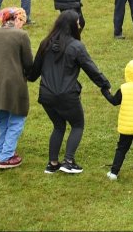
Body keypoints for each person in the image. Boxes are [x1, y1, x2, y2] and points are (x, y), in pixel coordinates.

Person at [28, 10, 111, 174]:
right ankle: (68, 161)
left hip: (46, 95)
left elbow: (33, 73)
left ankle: (52, 164)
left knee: (58, 125)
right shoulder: (76, 47)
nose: (80, 26)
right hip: (67, 95)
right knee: (77, 124)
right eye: (78, 23)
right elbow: (91, 69)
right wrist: (104, 84)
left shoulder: (45, 43)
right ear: (73, 25)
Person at [0, 8, 34, 169]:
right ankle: (6, 156)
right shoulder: (21, 36)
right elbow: (28, 62)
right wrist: (29, 75)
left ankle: (0, 152)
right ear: (16, 20)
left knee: (3, 120)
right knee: (17, 118)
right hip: (13, 84)